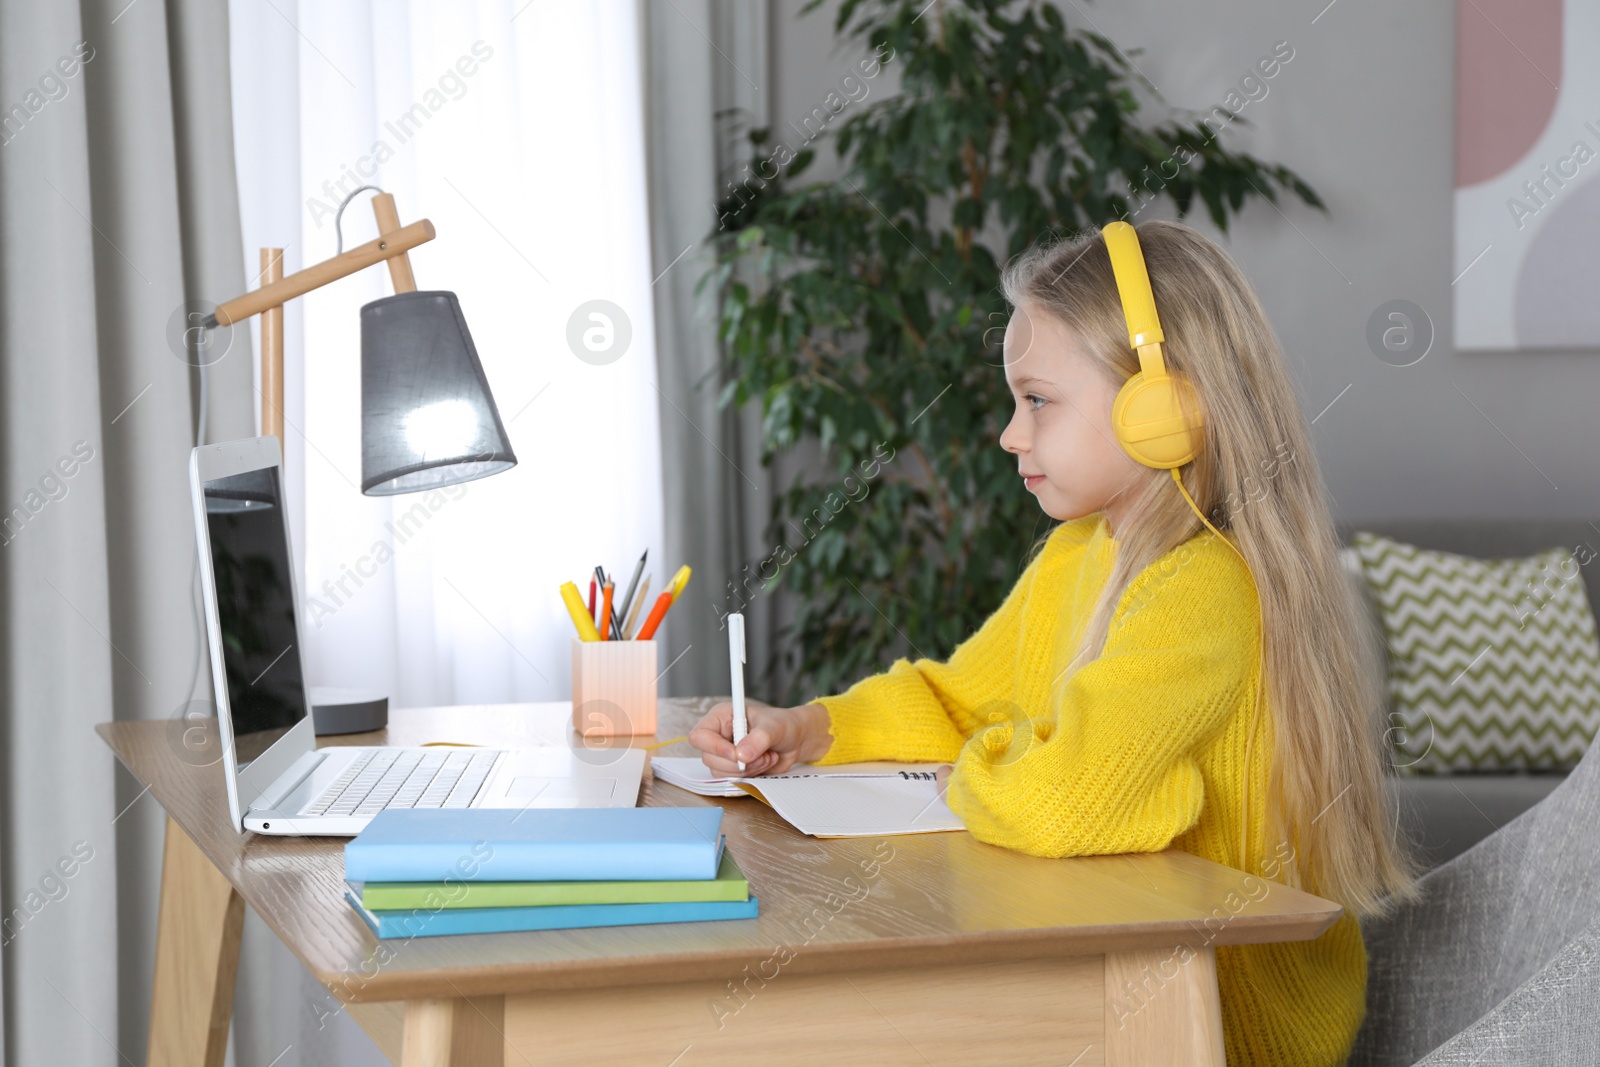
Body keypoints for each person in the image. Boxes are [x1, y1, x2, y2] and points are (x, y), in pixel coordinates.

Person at [688, 218, 1424, 1066]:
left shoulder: (1204, 589)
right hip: (1123, 970)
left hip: (1223, 1020)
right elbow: (961, 699)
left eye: (1036, 399)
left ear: (1165, 408)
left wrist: (974, 762)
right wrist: (810, 728)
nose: (1009, 432)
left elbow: (1062, 797)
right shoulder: (1081, 551)